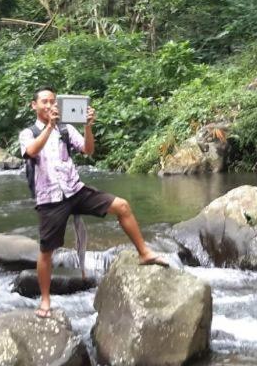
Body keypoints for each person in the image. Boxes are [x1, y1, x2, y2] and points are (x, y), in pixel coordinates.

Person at [19, 87, 167, 318]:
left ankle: (144, 253)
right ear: (34, 105)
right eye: (44, 102)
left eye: (52, 101)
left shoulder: (66, 129)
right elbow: (30, 152)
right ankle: (45, 300)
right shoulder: (28, 133)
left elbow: (88, 150)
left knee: (122, 206)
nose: (49, 105)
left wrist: (88, 126)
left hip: (75, 190)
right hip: (50, 198)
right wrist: (49, 127)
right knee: (47, 251)